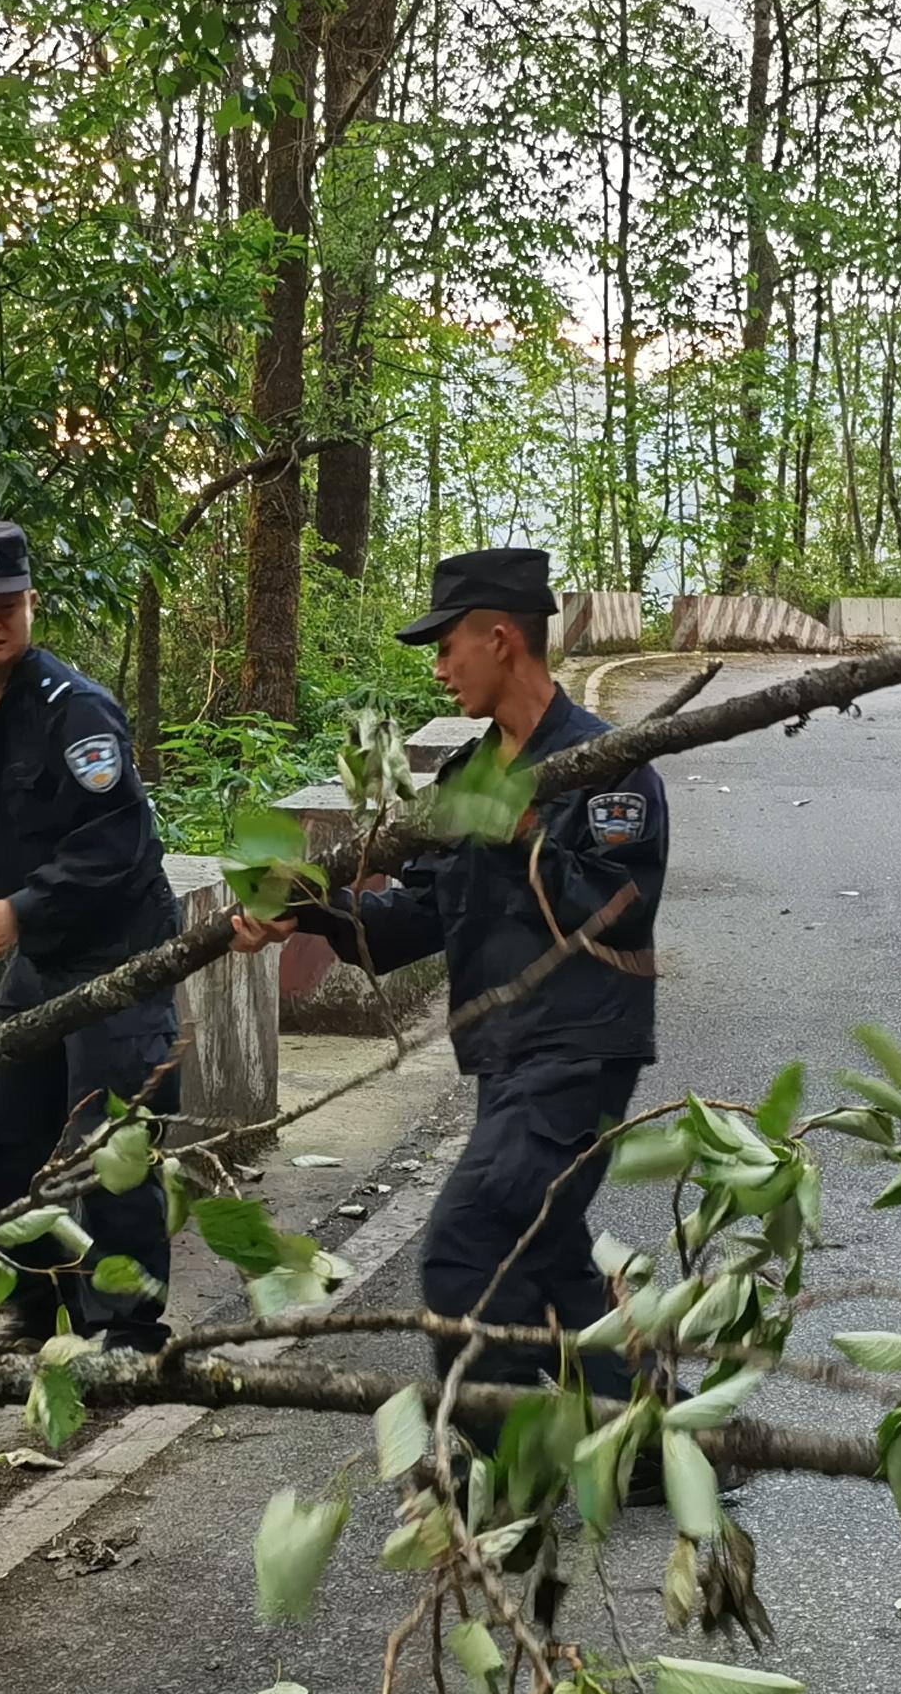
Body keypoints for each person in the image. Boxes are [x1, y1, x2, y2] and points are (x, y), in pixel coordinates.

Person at [231, 547, 667, 1386]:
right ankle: (652, 1443)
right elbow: (419, 917)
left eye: (445, 648)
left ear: (500, 639)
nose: (437, 670)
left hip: (576, 1058)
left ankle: (501, 1472)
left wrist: (526, 830)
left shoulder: (607, 766)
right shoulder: (469, 774)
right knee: (548, 1263)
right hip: (503, 1059)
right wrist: (311, 910)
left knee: (469, 1259)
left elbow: (619, 908)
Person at [0, 517, 182, 1349]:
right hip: (45, 960)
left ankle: (126, 1333)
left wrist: (20, 910)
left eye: (5, 601)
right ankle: (46, 1304)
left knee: (112, 1150)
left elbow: (120, 844)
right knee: (2, 1146)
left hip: (120, 949)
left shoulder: (73, 710)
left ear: (30, 605)